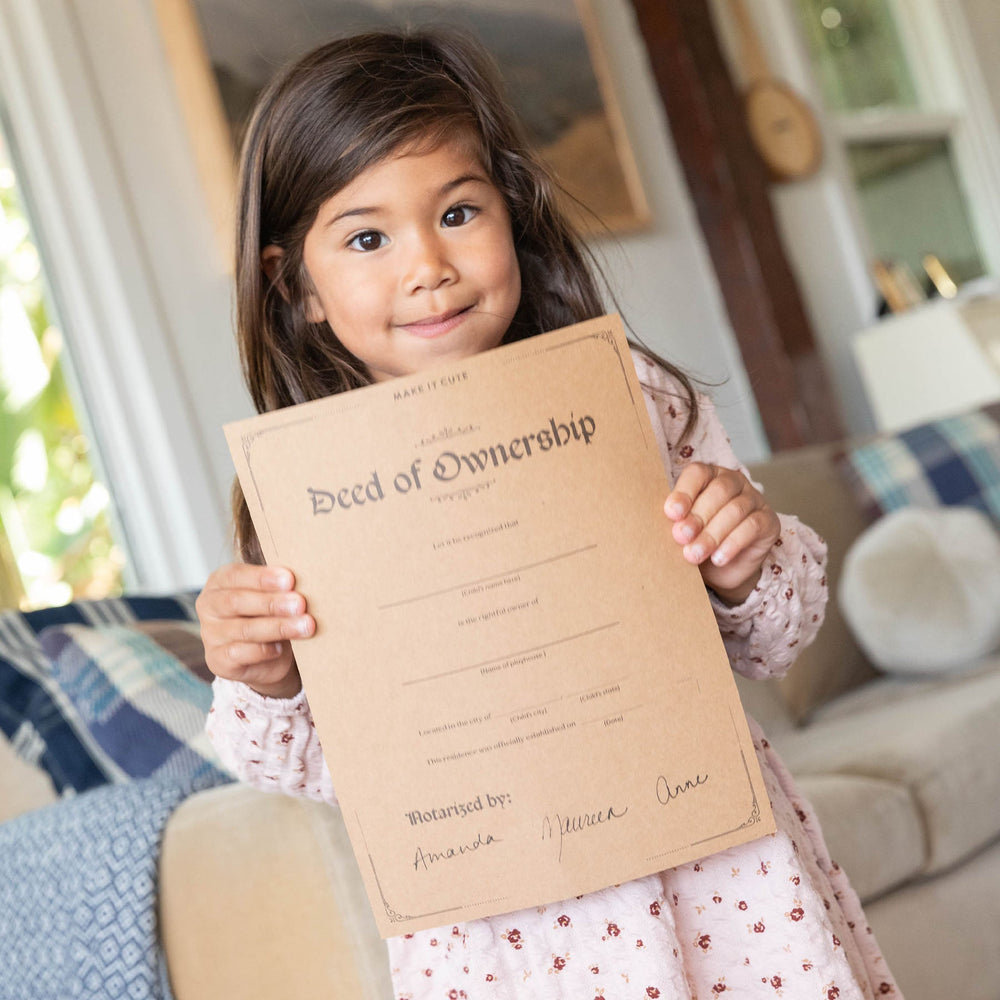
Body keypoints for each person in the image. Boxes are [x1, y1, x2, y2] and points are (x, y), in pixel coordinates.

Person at [198, 29, 901, 999]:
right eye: (367, 237)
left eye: (457, 211)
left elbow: (777, 637)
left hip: (715, 877)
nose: (427, 266)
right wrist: (266, 678)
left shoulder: (633, 403)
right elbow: (312, 770)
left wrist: (744, 558)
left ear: (511, 213)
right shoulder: (304, 503)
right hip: (504, 933)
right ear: (296, 288)